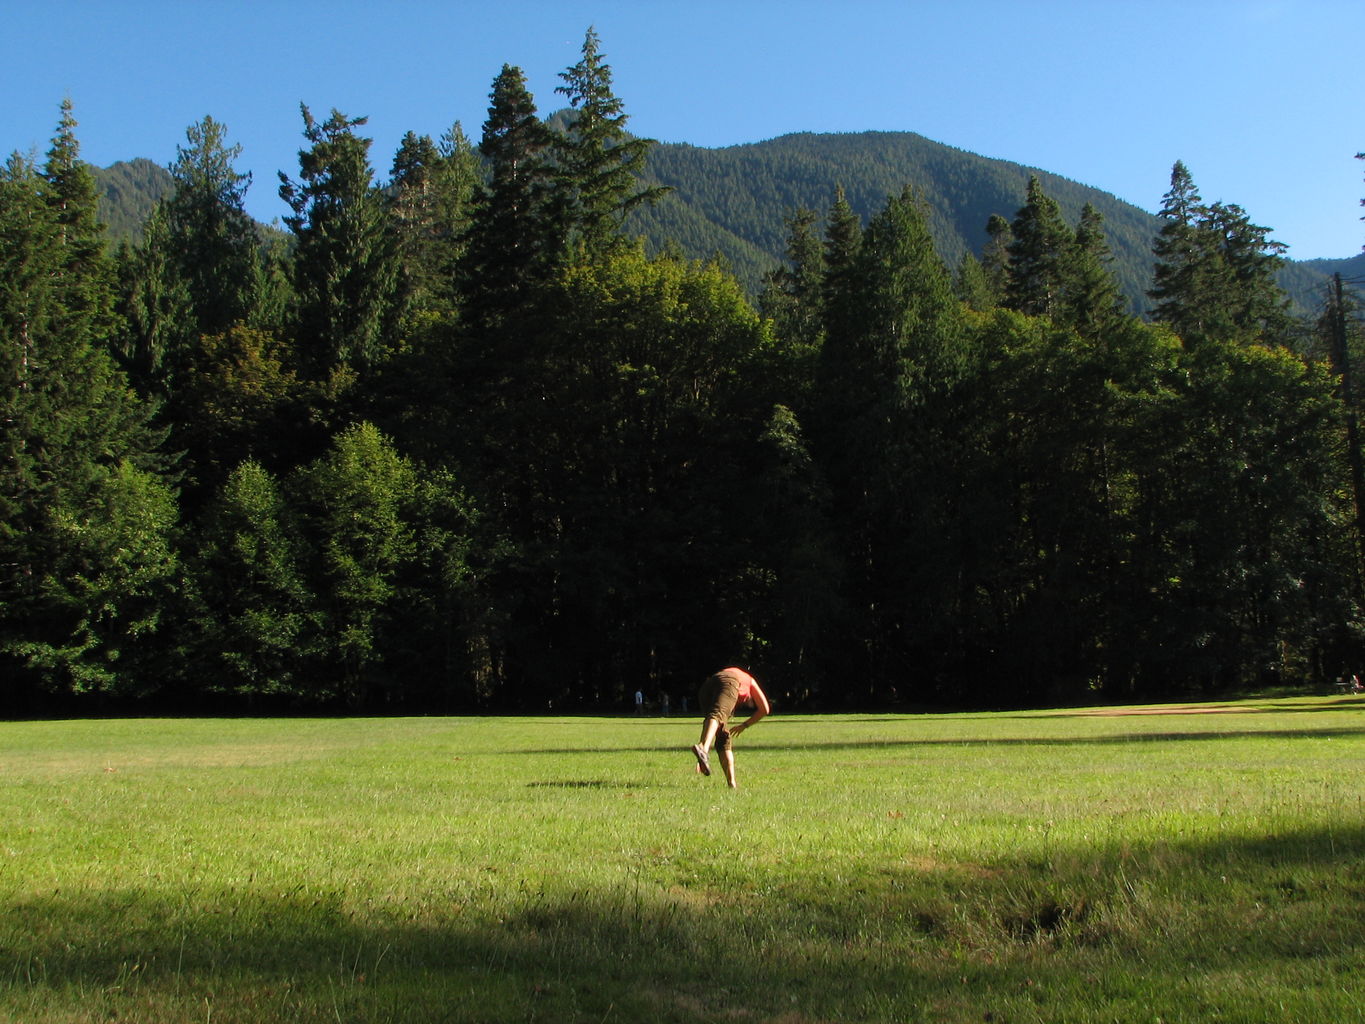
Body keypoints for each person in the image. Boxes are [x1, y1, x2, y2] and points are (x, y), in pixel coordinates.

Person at [690, 666, 770, 789]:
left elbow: (710, 721)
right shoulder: (749, 681)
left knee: (721, 733)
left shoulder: (731, 675)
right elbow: (764, 709)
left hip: (707, 687)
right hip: (729, 682)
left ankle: (731, 783)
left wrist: (700, 759)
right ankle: (704, 750)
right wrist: (744, 725)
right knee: (717, 716)